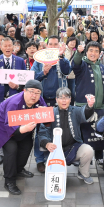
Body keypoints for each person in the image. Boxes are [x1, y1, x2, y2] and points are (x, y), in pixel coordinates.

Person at [0, 80, 47, 195]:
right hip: (0, 126)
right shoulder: (14, 103)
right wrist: (24, 129)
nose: (34, 95)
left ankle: (18, 170)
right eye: (31, 92)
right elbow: (9, 125)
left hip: (22, 127)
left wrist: (46, 114)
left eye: (37, 92)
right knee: (11, 149)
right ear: (24, 91)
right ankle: (9, 181)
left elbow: (46, 118)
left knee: (27, 145)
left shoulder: (40, 101)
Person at [38, 88, 97, 184]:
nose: (64, 100)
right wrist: (47, 144)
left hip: (73, 147)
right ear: (56, 99)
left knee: (88, 150)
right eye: (61, 98)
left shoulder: (75, 111)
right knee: (57, 181)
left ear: (70, 99)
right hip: (54, 149)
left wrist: (90, 106)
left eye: (66, 97)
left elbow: (84, 113)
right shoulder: (50, 112)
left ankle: (83, 173)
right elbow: (42, 132)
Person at [31, 36, 71, 172]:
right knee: (40, 130)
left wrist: (62, 56)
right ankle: (39, 159)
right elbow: (32, 79)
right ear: (46, 46)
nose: (53, 47)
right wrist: (43, 72)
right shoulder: (39, 60)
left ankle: (52, 156)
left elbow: (67, 71)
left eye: (56, 44)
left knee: (56, 129)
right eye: (51, 44)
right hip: (42, 101)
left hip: (59, 101)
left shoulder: (62, 59)